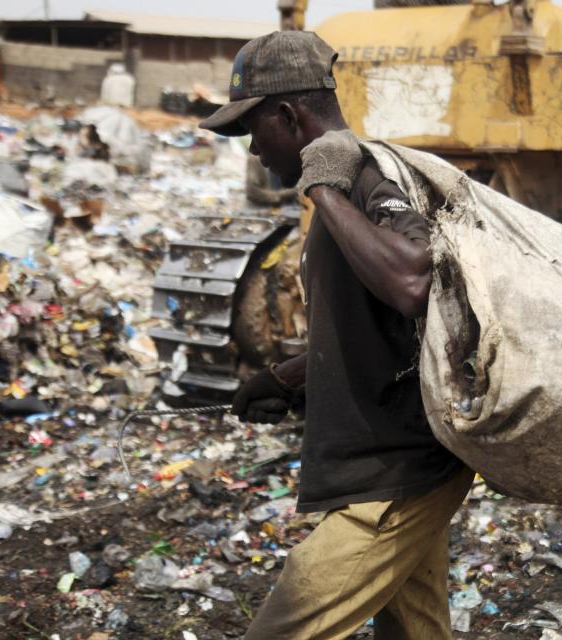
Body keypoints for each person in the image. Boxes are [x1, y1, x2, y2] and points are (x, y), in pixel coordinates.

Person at [200, 31, 472, 639]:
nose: (252, 151)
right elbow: (385, 326)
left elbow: (412, 282)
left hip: (396, 477)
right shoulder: (346, 187)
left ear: (289, 116)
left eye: (253, 131)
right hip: (394, 466)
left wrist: (321, 186)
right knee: (414, 630)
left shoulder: (367, 179)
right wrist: (287, 377)